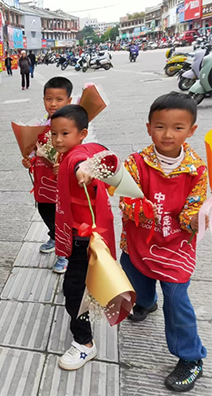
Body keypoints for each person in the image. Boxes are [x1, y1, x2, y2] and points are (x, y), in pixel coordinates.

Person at [119, 92, 207, 392]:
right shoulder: (135, 163)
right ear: (148, 127)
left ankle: (191, 357)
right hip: (139, 240)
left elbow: (193, 209)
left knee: (177, 299)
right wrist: (139, 208)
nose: (168, 134)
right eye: (160, 126)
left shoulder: (197, 170)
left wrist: (196, 220)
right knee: (134, 275)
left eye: (178, 127)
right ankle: (145, 302)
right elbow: (126, 199)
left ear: (191, 130)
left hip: (175, 246)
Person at [51, 105, 116, 371]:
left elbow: (82, 166)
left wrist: (81, 172)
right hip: (90, 233)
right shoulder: (85, 148)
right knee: (88, 282)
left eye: (64, 133)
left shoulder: (78, 156)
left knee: (74, 290)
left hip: (84, 237)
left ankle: (84, 343)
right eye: (53, 133)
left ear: (82, 133)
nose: (56, 140)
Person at [22, 77, 73, 274]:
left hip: (63, 182)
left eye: (59, 99)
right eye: (48, 99)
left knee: (61, 215)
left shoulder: (73, 126)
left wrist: (67, 166)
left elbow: (81, 153)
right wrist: (29, 160)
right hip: (43, 182)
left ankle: (63, 251)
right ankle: (54, 235)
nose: (53, 104)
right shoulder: (40, 126)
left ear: (69, 101)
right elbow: (35, 151)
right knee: (44, 210)